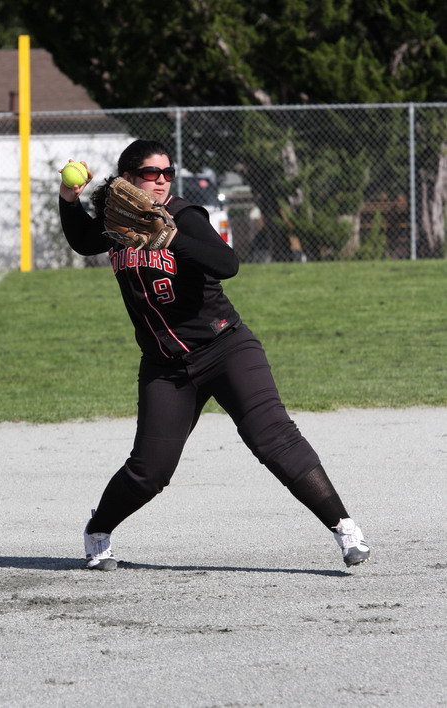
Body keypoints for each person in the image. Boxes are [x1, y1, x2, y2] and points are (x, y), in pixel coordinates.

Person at [59, 139, 370, 571]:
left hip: (225, 347)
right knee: (150, 471)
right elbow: (81, 241)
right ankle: (98, 530)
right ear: (128, 178)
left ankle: (345, 528)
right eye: (151, 173)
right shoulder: (118, 222)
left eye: (168, 172)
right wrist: (69, 198)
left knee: (274, 438)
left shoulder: (184, 216)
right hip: (167, 368)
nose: (162, 180)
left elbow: (226, 263)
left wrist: (170, 239)